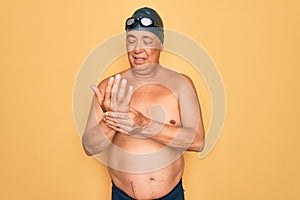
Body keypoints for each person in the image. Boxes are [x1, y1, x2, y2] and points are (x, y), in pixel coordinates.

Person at [82, 7, 205, 200]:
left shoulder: (182, 84)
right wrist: (112, 119)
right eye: (131, 41)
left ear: (161, 44)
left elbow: (197, 142)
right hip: (123, 195)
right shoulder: (109, 87)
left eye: (147, 41)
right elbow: (89, 147)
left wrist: (143, 124)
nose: (137, 49)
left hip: (170, 195)